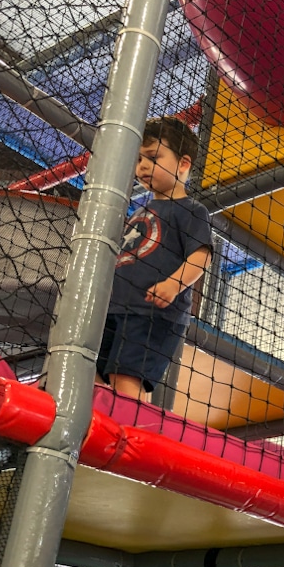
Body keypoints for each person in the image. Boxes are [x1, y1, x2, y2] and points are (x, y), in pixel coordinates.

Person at [96, 116, 213, 401]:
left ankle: (133, 436)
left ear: (183, 163)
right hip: (115, 310)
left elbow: (201, 255)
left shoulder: (190, 210)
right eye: (138, 160)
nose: (142, 167)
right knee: (94, 374)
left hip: (152, 312)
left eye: (152, 157)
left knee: (126, 376)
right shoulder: (137, 214)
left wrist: (174, 285)